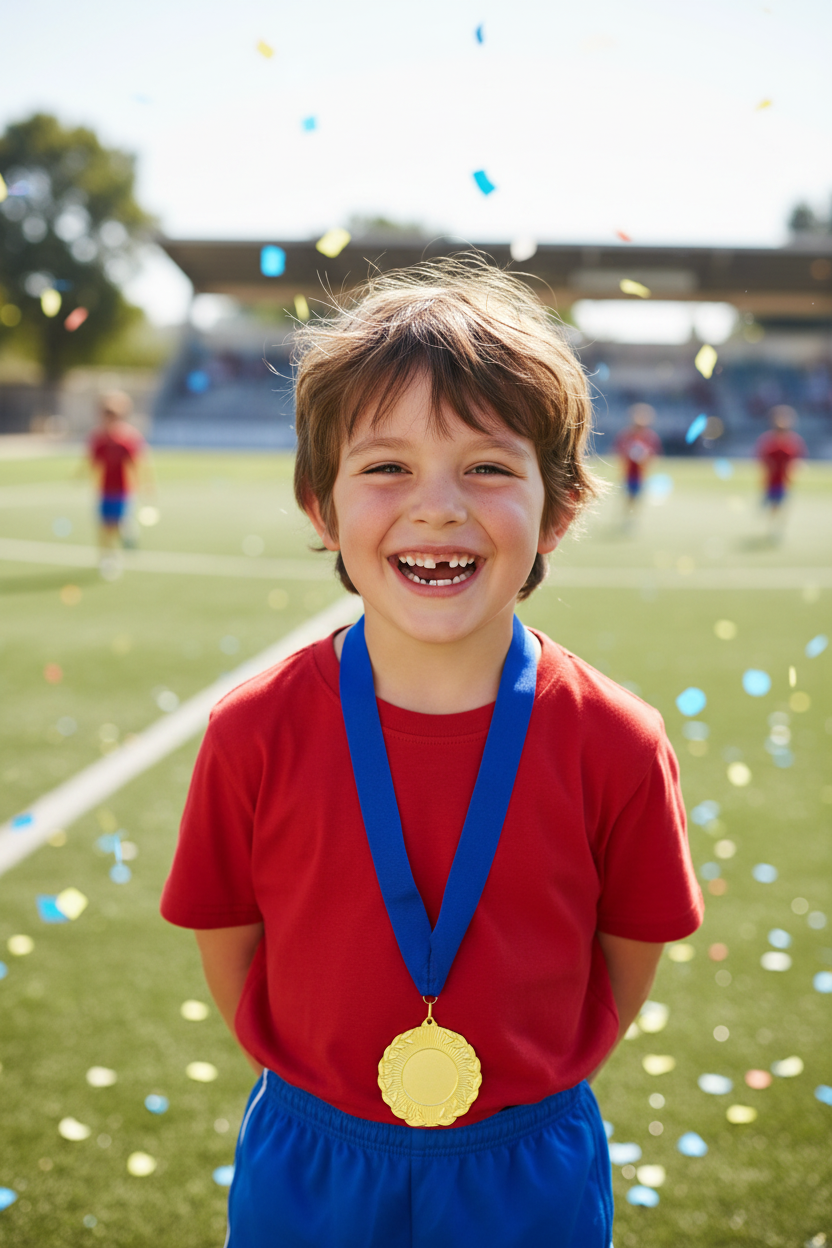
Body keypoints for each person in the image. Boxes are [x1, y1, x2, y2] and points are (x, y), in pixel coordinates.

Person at [161, 258, 703, 1248]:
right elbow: (229, 937)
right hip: (311, 1152)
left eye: (488, 467)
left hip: (526, 1160)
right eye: (386, 467)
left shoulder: (617, 740)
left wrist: (534, 1077)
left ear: (560, 507)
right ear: (320, 506)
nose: (438, 506)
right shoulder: (252, 731)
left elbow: (627, 953)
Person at [86, 391, 147, 567]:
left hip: (123, 490)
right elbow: (93, 463)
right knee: (104, 527)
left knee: (118, 524)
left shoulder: (127, 439)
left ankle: (128, 533)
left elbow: (137, 463)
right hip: (105, 490)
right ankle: (107, 557)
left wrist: (144, 485)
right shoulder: (99, 439)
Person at [755, 405, 807, 540]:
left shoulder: (793, 442)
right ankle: (772, 526)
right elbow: (763, 460)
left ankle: (776, 528)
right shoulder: (769, 441)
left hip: (783, 481)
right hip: (772, 480)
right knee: (772, 505)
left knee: (780, 505)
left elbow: (796, 461)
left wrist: (793, 474)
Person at [615, 403, 662, 526]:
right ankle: (626, 518)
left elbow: (653, 455)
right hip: (628, 472)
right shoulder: (627, 435)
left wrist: (644, 457)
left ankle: (632, 519)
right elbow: (620, 451)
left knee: (636, 497)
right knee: (628, 497)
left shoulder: (649, 437)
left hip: (641, 474)